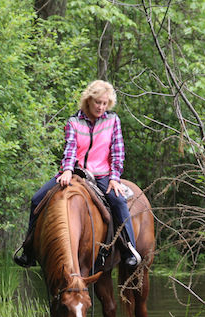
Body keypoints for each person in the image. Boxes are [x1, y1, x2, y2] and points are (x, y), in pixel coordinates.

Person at [14, 80, 141, 268]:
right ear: (88, 100)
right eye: (98, 102)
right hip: (77, 172)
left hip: (102, 174)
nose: (101, 107)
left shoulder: (112, 120)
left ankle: (129, 249)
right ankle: (29, 250)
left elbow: (117, 151)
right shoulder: (74, 122)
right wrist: (66, 170)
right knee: (37, 199)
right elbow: (70, 149)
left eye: (105, 103)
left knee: (118, 201)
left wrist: (114, 177)